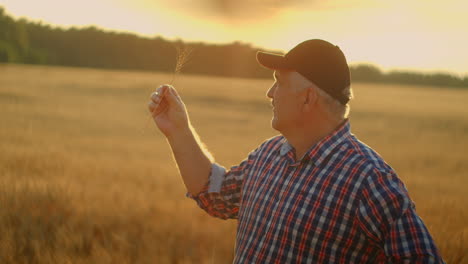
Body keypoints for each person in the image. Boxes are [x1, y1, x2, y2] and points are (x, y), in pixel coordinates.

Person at [147, 39, 445, 263]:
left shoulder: (368, 181)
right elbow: (216, 194)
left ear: (307, 98)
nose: (269, 93)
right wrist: (178, 130)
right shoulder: (268, 155)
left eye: (279, 82)